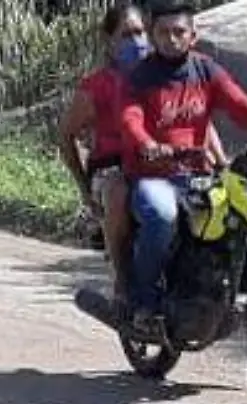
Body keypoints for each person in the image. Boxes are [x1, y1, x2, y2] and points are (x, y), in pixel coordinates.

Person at [118, 0, 247, 340]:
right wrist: (149, 145)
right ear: (153, 36)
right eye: (163, 33)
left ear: (193, 36)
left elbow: (240, 104)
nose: (171, 39)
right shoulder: (139, 78)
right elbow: (130, 120)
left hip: (201, 173)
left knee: (243, 215)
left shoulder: (206, 70)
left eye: (179, 32)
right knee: (162, 216)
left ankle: (230, 289)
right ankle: (144, 302)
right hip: (153, 175)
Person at [57, 2, 149, 299]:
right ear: (109, 42)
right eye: (127, 35)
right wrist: (84, 188)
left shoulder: (161, 78)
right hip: (112, 166)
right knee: (118, 192)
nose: (137, 42)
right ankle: (123, 281)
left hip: (154, 162)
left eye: (141, 33)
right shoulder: (96, 87)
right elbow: (66, 136)